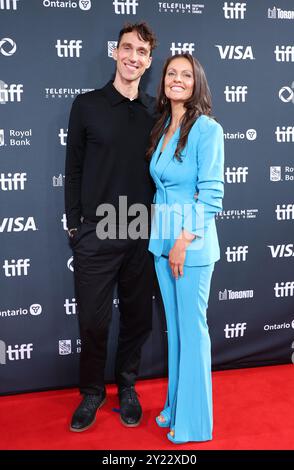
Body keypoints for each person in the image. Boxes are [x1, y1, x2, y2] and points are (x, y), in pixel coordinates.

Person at [65, 22, 157, 432]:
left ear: (149, 61)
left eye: (141, 51)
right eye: (127, 48)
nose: (133, 57)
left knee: (138, 318)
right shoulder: (86, 105)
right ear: (115, 52)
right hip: (96, 231)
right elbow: (73, 170)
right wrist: (74, 226)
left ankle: (127, 385)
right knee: (93, 321)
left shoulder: (156, 112)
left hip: (141, 230)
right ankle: (91, 393)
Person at [147, 53, 224, 444]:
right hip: (161, 242)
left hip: (188, 247)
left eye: (185, 75)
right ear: (163, 81)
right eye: (171, 73)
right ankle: (176, 407)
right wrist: (165, 242)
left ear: (197, 84)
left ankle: (194, 423)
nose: (177, 80)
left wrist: (181, 242)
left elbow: (211, 195)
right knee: (176, 332)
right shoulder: (164, 125)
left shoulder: (207, 129)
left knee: (193, 333)